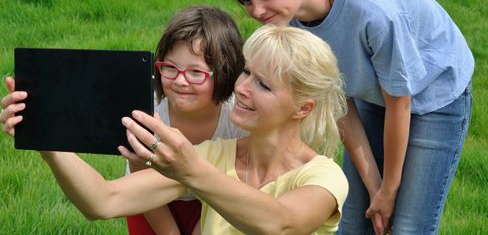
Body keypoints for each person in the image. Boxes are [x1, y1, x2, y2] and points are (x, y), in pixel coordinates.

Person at [223, 0, 474, 235]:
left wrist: (390, 191)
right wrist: (375, 187)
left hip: (434, 91)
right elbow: (340, 106)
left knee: (409, 226)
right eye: (246, 0)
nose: (256, 11)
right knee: (355, 221)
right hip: (374, 93)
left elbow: (400, 103)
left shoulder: (373, 15)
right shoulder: (289, 29)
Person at [1, 25, 349, 234]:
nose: (242, 88)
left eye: (264, 85)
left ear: (303, 109)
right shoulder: (212, 156)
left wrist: (192, 170)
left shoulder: (323, 176)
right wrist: (47, 142)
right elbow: (104, 201)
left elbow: (281, 224)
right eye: (246, 72)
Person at [129, 5, 247, 235]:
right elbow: (139, 175)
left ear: (226, 72)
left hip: (216, 203)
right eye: (170, 68)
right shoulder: (147, 110)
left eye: (196, 72)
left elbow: (232, 191)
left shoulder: (239, 118)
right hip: (150, 199)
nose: (181, 81)